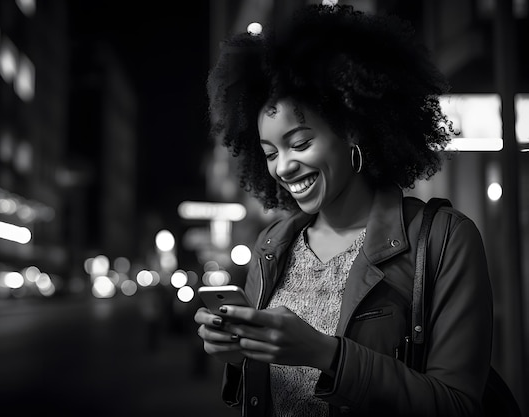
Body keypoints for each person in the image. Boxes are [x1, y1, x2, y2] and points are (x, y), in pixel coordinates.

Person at [194, 3, 493, 416]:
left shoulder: (445, 241)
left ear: (352, 128)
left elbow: (458, 406)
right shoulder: (272, 246)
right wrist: (237, 353)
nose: (283, 166)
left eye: (299, 143)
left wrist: (327, 355)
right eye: (269, 152)